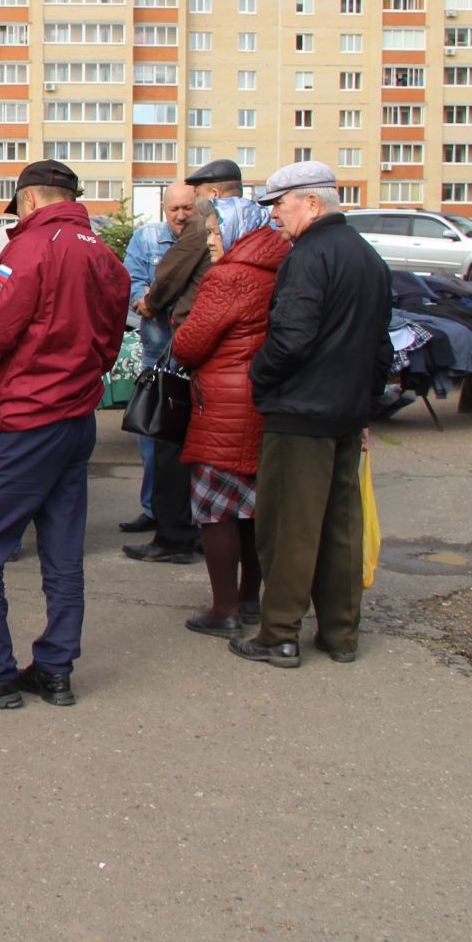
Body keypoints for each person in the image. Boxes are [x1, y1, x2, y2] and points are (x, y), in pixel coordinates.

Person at [0, 161, 130, 710]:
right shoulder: (103, 253)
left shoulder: (31, 246)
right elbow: (113, 338)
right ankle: (55, 670)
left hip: (31, 415)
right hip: (76, 417)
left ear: (28, 199)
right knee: (62, 551)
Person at [231, 161, 393, 669]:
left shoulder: (307, 256)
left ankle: (279, 633)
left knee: (289, 528)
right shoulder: (368, 257)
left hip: (300, 413)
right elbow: (381, 348)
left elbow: (291, 338)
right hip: (345, 412)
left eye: (280, 204)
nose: (274, 216)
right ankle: (341, 634)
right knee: (341, 527)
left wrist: (260, 375)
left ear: (312, 202)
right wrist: (364, 407)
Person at [125, 159, 266, 565]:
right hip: (240, 358)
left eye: (199, 198)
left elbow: (167, 276)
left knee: (172, 443)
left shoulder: (209, 225)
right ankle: (212, 530)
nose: (192, 211)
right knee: (220, 453)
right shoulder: (261, 228)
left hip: (193, 352)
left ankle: (174, 535)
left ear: (215, 195)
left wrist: (150, 303)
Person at [169, 198, 290, 637]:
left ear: (239, 230)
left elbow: (190, 344)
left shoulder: (229, 277)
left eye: (218, 231)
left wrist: (179, 329)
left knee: (217, 510)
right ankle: (249, 600)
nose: (212, 240)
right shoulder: (280, 267)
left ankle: (224, 609)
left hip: (224, 403)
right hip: (265, 400)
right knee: (253, 510)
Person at [118, 181, 196, 534]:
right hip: (158, 358)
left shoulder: (206, 244)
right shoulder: (147, 239)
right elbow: (132, 285)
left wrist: (156, 298)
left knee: (192, 443)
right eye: (174, 209)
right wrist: (144, 297)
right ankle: (153, 509)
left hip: (197, 361)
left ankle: (187, 517)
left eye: (187, 208)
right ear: (164, 209)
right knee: (151, 438)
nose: (181, 215)